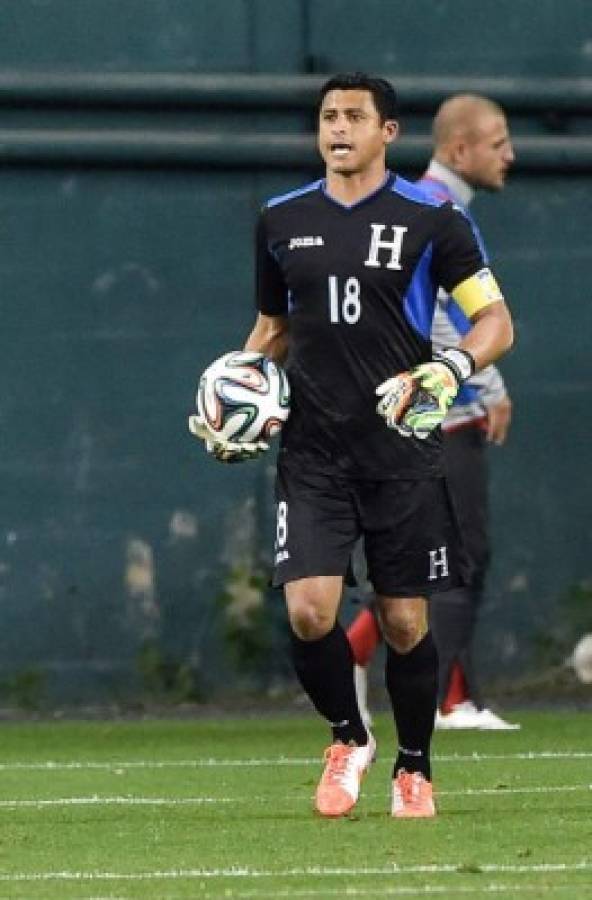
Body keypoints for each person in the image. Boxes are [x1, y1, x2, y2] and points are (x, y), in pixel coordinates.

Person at [189, 74, 514, 818]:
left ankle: (414, 765)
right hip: (312, 454)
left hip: (401, 452)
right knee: (308, 610)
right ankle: (348, 737)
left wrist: (451, 367)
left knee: (405, 622)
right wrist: (230, 403)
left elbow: (495, 324)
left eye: (354, 117)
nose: (338, 127)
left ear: (388, 132)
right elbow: (272, 333)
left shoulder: (434, 220)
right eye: (328, 116)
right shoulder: (279, 220)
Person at [346, 94, 520, 731]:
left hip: (400, 408)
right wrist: (489, 387)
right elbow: (448, 316)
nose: (511, 154)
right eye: (498, 141)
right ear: (458, 149)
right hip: (433, 412)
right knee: (459, 553)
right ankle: (446, 699)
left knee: (427, 555)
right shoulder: (436, 208)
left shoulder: (416, 204)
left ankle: (365, 655)